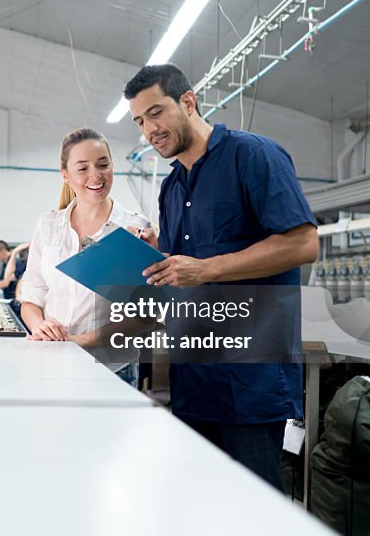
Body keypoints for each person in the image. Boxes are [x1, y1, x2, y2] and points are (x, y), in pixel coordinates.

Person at [124, 63, 318, 491]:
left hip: (250, 380)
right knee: (199, 506)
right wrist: (147, 257)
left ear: (188, 102)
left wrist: (207, 268)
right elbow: (180, 269)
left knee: (253, 510)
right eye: (140, 121)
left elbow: (303, 244)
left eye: (155, 113)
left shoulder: (253, 155)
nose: (148, 130)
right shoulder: (171, 186)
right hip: (194, 378)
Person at [17, 128, 152, 386]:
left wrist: (82, 340)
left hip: (113, 370)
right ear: (65, 175)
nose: (95, 175)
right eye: (83, 168)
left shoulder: (135, 228)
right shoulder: (48, 226)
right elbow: (32, 295)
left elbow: (145, 314)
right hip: (52, 360)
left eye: (103, 164)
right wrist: (39, 327)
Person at [0, 240, 29, 318]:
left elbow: (6, 282)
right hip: (10, 301)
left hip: (16, 303)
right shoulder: (6, 264)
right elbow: (0, 281)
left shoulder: (16, 262)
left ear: (2, 251)